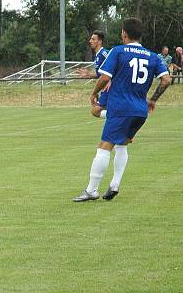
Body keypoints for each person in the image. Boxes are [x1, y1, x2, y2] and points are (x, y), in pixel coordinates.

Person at [73, 17, 171, 202]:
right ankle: (115, 185)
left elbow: (104, 77)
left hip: (121, 108)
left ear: (124, 34)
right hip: (140, 111)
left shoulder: (118, 51)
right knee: (122, 144)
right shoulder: (152, 56)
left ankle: (91, 190)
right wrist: (153, 100)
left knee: (104, 147)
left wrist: (94, 93)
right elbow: (166, 80)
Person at [77, 30, 111, 118]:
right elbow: (101, 74)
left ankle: (118, 117)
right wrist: (89, 74)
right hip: (105, 88)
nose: (90, 41)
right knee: (103, 110)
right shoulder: (97, 55)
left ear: (99, 41)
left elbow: (115, 65)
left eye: (93, 39)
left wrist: (111, 80)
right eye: (91, 39)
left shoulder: (104, 53)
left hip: (110, 88)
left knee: (96, 111)